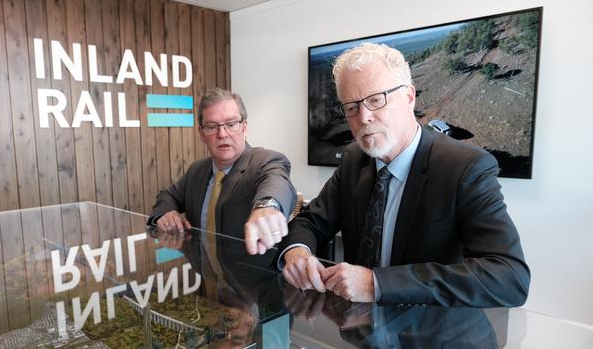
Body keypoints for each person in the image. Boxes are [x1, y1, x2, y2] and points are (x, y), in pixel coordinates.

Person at [278, 43, 530, 307]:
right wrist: (297, 251)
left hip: (436, 334)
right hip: (360, 330)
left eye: (376, 100)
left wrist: (378, 284)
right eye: (351, 107)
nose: (363, 117)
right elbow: (311, 221)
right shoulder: (354, 159)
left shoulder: (465, 168)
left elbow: (509, 277)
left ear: (409, 97)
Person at [148, 88, 296, 256]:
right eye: (212, 126)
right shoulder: (197, 170)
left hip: (250, 280)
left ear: (244, 127)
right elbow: (167, 196)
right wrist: (166, 213)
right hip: (204, 275)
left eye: (231, 124)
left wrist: (268, 206)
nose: (222, 134)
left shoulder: (266, 161)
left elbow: (276, 182)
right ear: (202, 134)